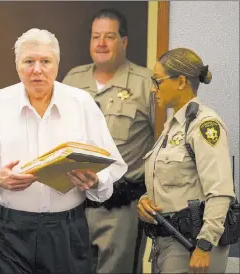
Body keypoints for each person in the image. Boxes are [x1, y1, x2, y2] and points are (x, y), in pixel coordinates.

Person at [0, 28, 127, 273]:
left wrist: (95, 180)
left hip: (67, 230)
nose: (37, 70)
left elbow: (113, 164)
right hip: (5, 231)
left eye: (45, 61)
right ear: (17, 66)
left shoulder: (80, 103)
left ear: (57, 64)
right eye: (29, 61)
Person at [62, 8, 153, 273]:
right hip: (75, 205)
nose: (101, 44)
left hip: (121, 209)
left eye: (109, 37)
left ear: (123, 42)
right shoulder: (72, 80)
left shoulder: (146, 83)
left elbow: (163, 144)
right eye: (95, 36)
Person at [137, 47, 235, 273]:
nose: (153, 88)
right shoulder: (174, 127)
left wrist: (204, 246)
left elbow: (220, 192)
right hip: (168, 241)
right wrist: (146, 200)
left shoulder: (203, 125)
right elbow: (175, 182)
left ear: (181, 81)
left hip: (192, 245)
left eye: (157, 80)